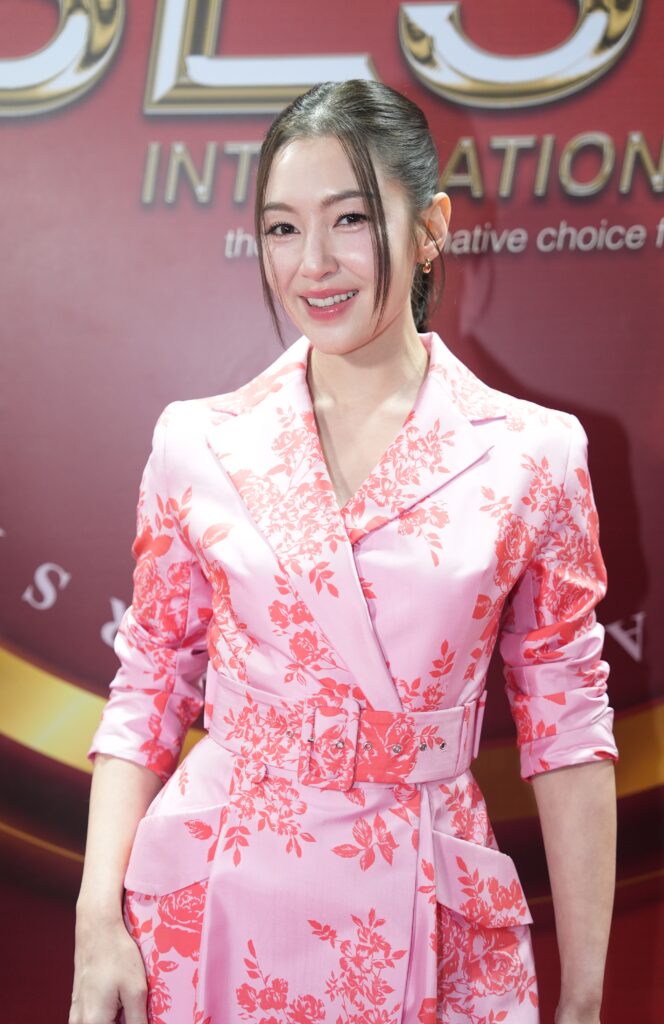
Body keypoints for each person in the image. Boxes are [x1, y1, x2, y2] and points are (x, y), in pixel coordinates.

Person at [70, 80, 618, 1024]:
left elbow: (568, 731)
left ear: (432, 226)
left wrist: (585, 997)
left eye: (351, 219)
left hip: (430, 913)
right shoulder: (200, 443)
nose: (313, 263)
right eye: (283, 229)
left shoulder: (534, 455)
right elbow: (151, 685)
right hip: (216, 906)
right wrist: (95, 926)